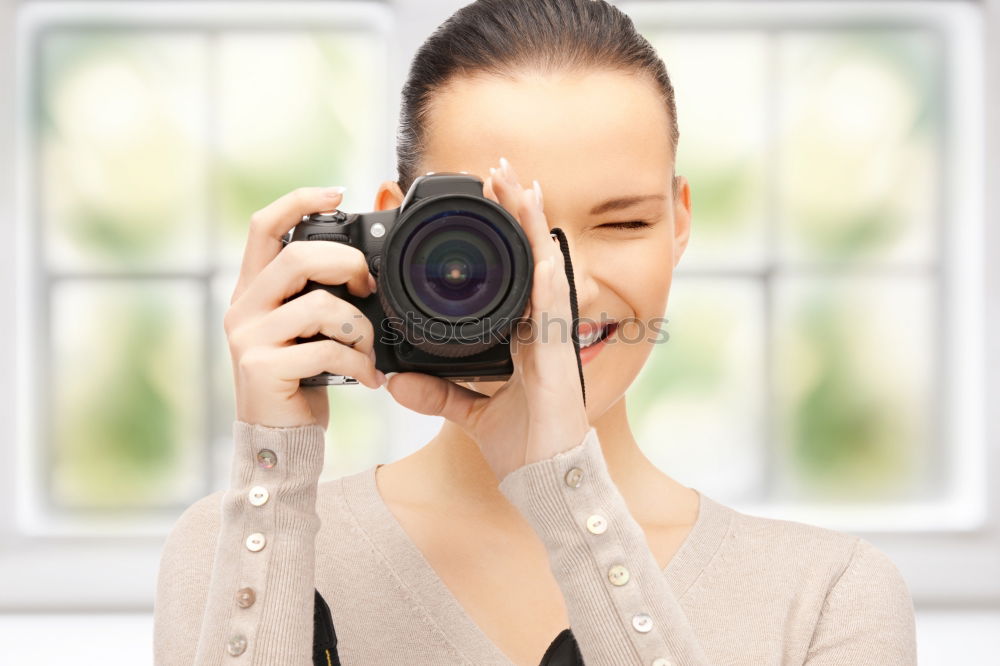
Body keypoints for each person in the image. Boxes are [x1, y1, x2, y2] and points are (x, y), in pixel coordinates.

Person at [152, 1, 918, 664]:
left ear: (679, 222)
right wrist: (275, 473)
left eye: (623, 222)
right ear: (397, 229)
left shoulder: (828, 598)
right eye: (499, 233)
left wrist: (563, 489)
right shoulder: (242, 542)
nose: (562, 286)